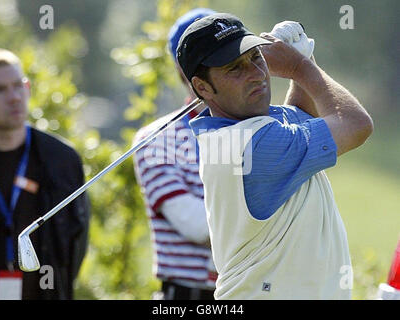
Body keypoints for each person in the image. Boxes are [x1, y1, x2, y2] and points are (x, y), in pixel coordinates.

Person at [177, 13, 374, 299]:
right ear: (203, 87)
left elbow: (304, 116)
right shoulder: (252, 147)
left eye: (256, 57)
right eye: (235, 68)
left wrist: (304, 59)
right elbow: (357, 125)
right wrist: (299, 66)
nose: (256, 73)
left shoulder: (244, 129)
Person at [132, 8, 218, 300]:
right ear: (184, 70)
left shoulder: (260, 128)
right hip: (188, 296)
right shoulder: (156, 139)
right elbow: (195, 226)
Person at [0, 48, 90, 300]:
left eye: (18, 86)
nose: (14, 97)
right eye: (0, 90)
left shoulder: (62, 159)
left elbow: (77, 241)